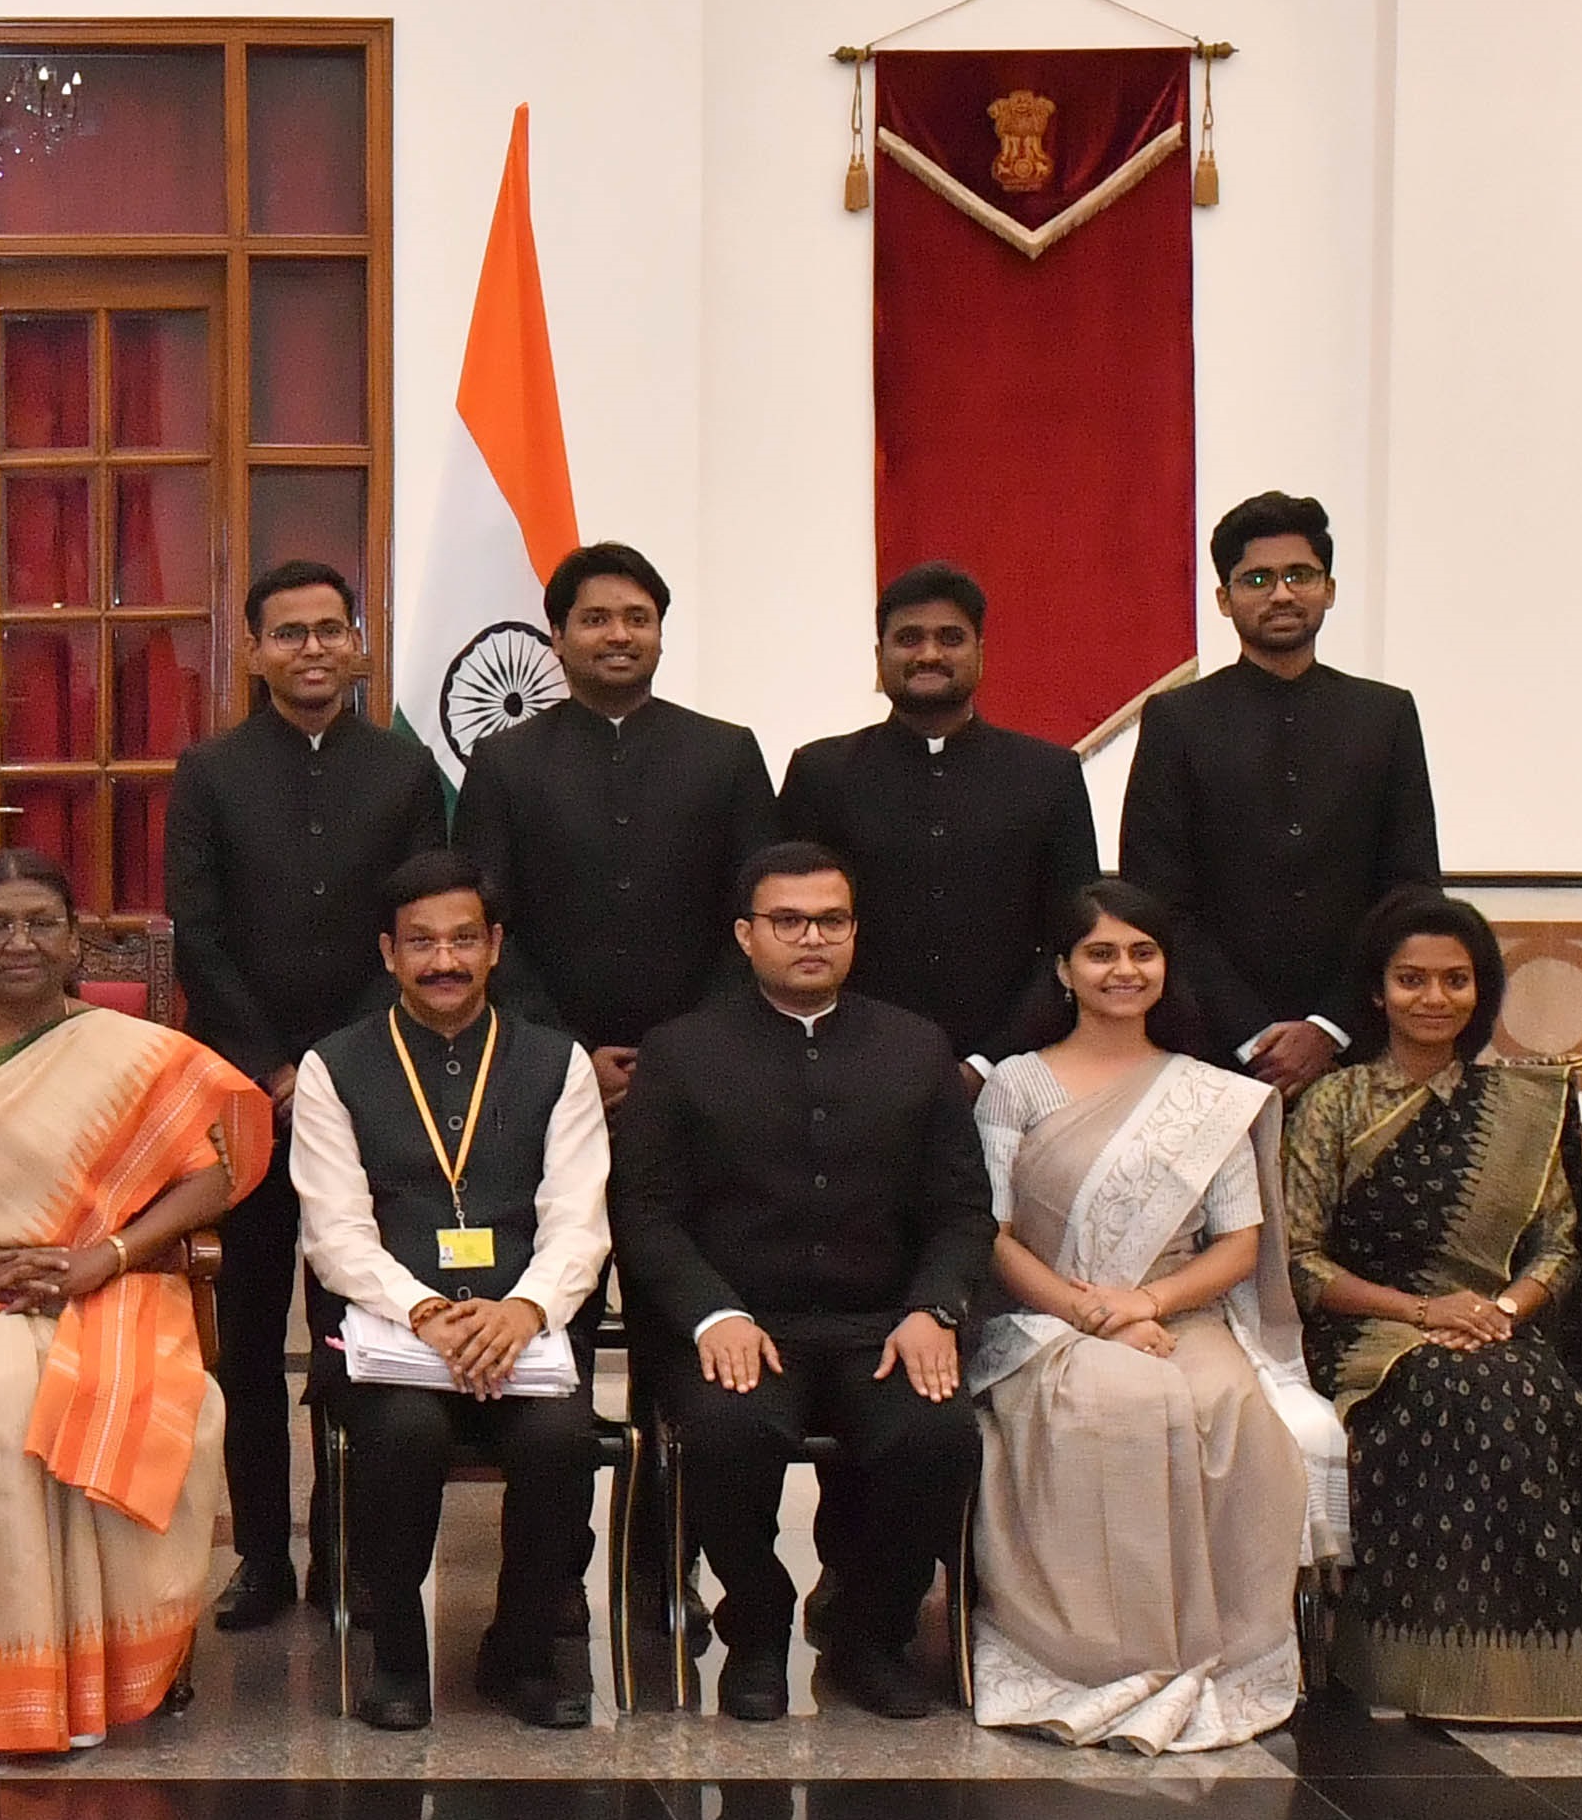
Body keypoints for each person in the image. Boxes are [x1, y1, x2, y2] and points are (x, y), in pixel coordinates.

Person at [0, 848, 267, 1756]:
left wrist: (104, 1256)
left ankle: (91, 1670)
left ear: (76, 943)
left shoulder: (132, 1052)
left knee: (99, 1393)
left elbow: (211, 1177)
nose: (18, 941)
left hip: (100, 1282)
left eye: (41, 923)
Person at [616, 843, 992, 1723]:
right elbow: (645, 1211)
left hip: (883, 1323)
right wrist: (711, 1314)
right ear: (746, 935)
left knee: (937, 1437)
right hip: (744, 1321)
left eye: (831, 920)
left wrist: (934, 1309)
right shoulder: (682, 1051)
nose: (811, 937)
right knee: (727, 1428)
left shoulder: (915, 1044)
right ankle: (757, 1627)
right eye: (788, 921)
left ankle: (872, 1630)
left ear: (855, 931)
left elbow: (963, 1209)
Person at [966, 882, 1333, 1753]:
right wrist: (1093, 1311)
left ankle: (1219, 1649)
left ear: (1167, 968)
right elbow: (992, 1233)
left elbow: (1239, 1243)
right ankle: (1098, 1653)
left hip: (1181, 1311)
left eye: (1141, 952)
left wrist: (1148, 1302)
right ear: (1063, 969)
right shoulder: (1017, 1084)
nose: (1122, 970)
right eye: (1100, 953)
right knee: (1119, 1405)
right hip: (1046, 1319)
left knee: (1229, 1408)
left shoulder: (1210, 1092)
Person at [164, 557, 449, 1631]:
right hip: (240, 1085)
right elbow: (199, 930)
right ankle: (262, 1560)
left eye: (330, 630)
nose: (313, 649)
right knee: (242, 1330)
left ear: (359, 641)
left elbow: (422, 921)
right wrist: (275, 1064)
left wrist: (331, 1067)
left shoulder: (405, 771)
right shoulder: (210, 769)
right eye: (290, 633)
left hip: (371, 1084)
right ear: (254, 652)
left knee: (352, 1325)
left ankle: (342, 1550)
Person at [1280, 893, 1582, 1728]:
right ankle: (1416, 1658)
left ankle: (1540, 1669)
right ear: (1377, 991)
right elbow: (1300, 1261)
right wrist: (1425, 1309)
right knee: (1457, 1390)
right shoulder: (1334, 1102)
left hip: (1495, 1325)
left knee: (1529, 1396)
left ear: (1482, 991)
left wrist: (1503, 1309)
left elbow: (1558, 1247)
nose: (1434, 998)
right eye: (1411, 980)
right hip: (1370, 1328)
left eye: (1455, 980)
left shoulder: (1525, 1101)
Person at [286, 848, 608, 1731]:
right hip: (393, 1335)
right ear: (388, 953)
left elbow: (578, 1218)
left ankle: (521, 1650)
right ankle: (395, 1652)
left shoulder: (558, 1060)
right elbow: (336, 1232)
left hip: (523, 1333)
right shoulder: (332, 1065)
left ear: (495, 945)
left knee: (556, 1437)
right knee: (405, 1432)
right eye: (421, 942)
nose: (444, 961)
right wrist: (425, 1310)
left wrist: (522, 1311)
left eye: (465, 939)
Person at [1118, 493, 1445, 1086]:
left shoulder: (1385, 715)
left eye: (1300, 575)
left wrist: (1329, 1027)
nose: (1282, 594)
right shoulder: (1177, 720)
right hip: (1211, 1048)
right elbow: (1158, 899)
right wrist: (1252, 1035)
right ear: (1225, 598)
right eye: (1258, 579)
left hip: (1361, 1045)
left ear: (1330, 588)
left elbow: (1411, 888)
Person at [459, 542, 775, 1107]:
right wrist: (568, 1051)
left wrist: (688, 1046)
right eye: (595, 619)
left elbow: (758, 909)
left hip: (709, 1063)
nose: (620, 636)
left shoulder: (727, 753)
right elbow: (485, 922)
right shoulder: (503, 762)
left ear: (659, 635)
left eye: (638, 619)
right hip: (540, 1065)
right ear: (556, 637)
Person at [776, 561, 1102, 1060]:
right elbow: (792, 928)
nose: (929, 653)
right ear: (879, 655)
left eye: (950, 638)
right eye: (909, 638)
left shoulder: (1048, 775)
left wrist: (990, 1063)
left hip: (1018, 1065)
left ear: (981, 654)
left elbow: (1073, 935)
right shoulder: (822, 773)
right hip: (849, 1060)